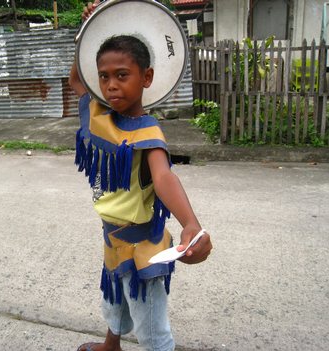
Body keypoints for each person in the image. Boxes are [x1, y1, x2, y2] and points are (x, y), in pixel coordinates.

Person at [69, 2, 213, 350]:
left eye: (122, 74)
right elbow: (76, 80)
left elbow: (164, 178)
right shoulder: (99, 114)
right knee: (114, 300)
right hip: (112, 238)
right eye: (104, 76)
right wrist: (87, 32)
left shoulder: (148, 133)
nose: (110, 85)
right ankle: (111, 345)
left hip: (141, 246)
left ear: (146, 77)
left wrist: (190, 223)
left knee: (152, 330)